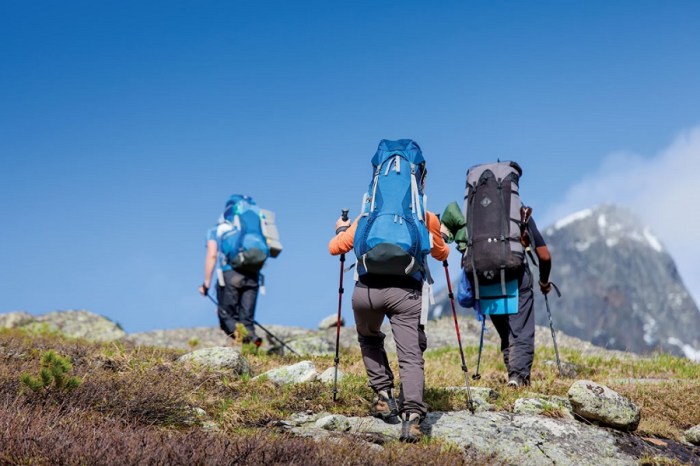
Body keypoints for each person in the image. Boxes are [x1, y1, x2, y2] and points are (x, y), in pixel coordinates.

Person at [328, 141, 449, 443]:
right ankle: (413, 419)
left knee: (369, 338)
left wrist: (342, 231)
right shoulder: (425, 216)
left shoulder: (366, 216)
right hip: (405, 292)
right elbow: (442, 254)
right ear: (419, 177)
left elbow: (335, 249)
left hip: (366, 291)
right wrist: (441, 235)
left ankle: (384, 396)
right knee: (409, 355)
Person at [493, 211, 552, 388]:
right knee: (520, 329)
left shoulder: (478, 209)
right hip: (516, 275)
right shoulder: (519, 210)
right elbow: (544, 256)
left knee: (506, 331)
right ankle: (518, 378)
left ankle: (512, 374)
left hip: (486, 276)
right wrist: (544, 281)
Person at [199, 197, 264, 346]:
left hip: (230, 274)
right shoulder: (253, 226)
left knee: (227, 316)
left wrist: (206, 284)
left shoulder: (217, 230)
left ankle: (245, 343)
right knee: (247, 319)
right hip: (253, 274)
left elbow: (212, 255)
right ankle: (252, 341)